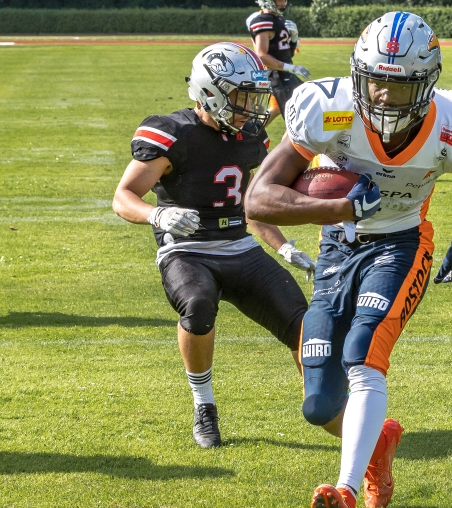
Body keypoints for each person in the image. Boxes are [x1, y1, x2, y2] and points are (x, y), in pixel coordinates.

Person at [246, 12, 452, 508]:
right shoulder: (328, 107)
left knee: (364, 353)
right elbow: (258, 199)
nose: (381, 92)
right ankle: (380, 444)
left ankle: (347, 494)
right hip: (337, 242)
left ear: (425, 83)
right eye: (374, 77)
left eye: (398, 82)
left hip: (402, 243)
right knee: (317, 403)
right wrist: (338, 205)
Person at [111, 43, 314, 448]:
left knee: (303, 322)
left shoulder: (250, 136)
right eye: (242, 97)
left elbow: (252, 207)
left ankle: (328, 404)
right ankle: (204, 405)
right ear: (210, 92)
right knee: (198, 304)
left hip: (237, 244)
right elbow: (123, 196)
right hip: (186, 247)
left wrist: (283, 246)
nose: (251, 108)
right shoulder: (174, 133)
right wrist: (157, 215)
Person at [247, 0, 312, 124]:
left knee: (303, 109)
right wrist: (291, 67)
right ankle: (251, 137)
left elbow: (288, 53)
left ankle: (252, 134)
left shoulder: (279, 19)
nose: (283, 3)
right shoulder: (263, 21)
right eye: (279, 0)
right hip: (273, 74)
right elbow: (262, 55)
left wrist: (294, 39)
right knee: (296, 119)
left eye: (284, 0)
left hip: (283, 73)